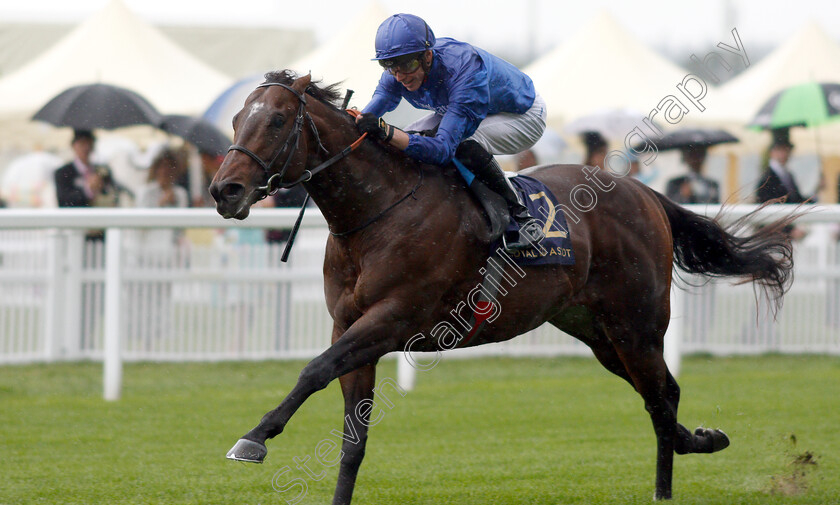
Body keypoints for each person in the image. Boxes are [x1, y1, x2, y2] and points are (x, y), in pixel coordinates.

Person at [356, 13, 547, 250]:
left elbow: (443, 150)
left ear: (428, 56)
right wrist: (356, 120)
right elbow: (381, 101)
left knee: (463, 143)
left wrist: (386, 131)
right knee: (407, 136)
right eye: (390, 66)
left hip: (523, 116)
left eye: (407, 65)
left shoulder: (464, 70)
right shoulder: (402, 66)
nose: (399, 75)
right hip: (474, 108)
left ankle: (520, 217)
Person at [54, 129, 118, 240]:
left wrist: (100, 187)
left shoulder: (102, 171)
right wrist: (87, 190)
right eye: (82, 143)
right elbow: (64, 200)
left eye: (89, 143)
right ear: (73, 146)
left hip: (100, 232)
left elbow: (112, 196)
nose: (86, 148)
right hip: (75, 233)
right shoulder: (63, 173)